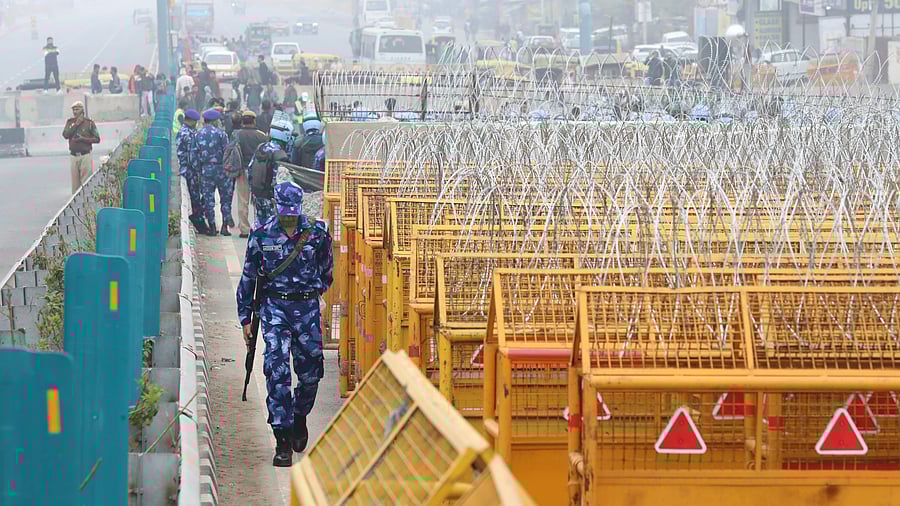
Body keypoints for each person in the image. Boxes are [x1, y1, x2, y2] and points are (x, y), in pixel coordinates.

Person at [235, 181, 333, 467]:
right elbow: (249, 277)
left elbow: (327, 272)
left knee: (311, 374)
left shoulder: (318, 232)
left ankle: (299, 416)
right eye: (284, 212)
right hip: (275, 309)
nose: (289, 217)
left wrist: (313, 297)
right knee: (276, 370)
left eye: (293, 212)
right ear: (277, 206)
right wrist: (245, 319)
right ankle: (282, 439)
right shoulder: (261, 233)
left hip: (306, 308)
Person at [192, 109, 233, 235]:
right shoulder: (222, 134)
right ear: (214, 121)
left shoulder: (198, 134)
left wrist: (198, 171)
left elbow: (194, 155)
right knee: (225, 198)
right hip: (222, 169)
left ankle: (212, 227)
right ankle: (225, 227)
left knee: (208, 199)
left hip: (206, 170)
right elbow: (227, 153)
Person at [250, 117, 293, 227]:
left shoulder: (261, 147)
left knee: (260, 226)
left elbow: (250, 169)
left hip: (258, 195)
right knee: (273, 230)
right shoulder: (280, 155)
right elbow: (281, 183)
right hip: (271, 199)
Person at [233, 110, 269, 237]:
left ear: (242, 121)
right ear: (254, 121)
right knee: (258, 199)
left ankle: (244, 229)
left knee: (243, 200)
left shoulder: (237, 135)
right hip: (258, 171)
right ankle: (260, 226)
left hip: (242, 171)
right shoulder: (262, 136)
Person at [177, 109, 208, 234]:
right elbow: (191, 154)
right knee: (195, 197)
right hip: (190, 169)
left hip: (194, 169)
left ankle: (199, 217)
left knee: (201, 195)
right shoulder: (185, 133)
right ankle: (198, 220)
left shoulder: (191, 132)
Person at [61, 101, 100, 194]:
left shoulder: (89, 123)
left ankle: (86, 202)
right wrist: (76, 124)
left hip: (85, 155)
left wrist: (83, 139)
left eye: (77, 109)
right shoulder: (70, 122)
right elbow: (65, 134)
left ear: (82, 110)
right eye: (73, 109)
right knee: (75, 184)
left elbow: (97, 139)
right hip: (74, 156)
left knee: (86, 182)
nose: (75, 111)